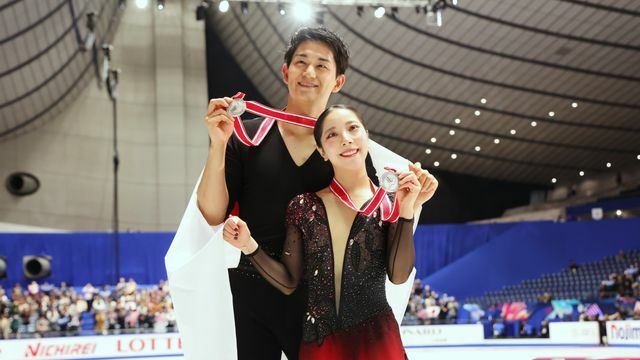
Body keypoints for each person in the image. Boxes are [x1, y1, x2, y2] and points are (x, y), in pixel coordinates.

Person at [165, 27, 438, 360]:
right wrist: (218, 145)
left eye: (322, 65)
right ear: (285, 71)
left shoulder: (349, 152)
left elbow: (369, 234)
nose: (309, 72)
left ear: (338, 81)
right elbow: (210, 216)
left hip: (317, 301)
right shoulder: (246, 136)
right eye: (301, 62)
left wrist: (408, 203)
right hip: (249, 290)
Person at [223, 105, 431, 359]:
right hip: (321, 342)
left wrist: (407, 210)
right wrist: (249, 245)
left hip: (377, 339)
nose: (345, 138)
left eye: (353, 128)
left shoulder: (387, 203)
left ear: (366, 134)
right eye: (332, 135)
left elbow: (398, 276)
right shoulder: (304, 206)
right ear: (321, 150)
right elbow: (289, 282)